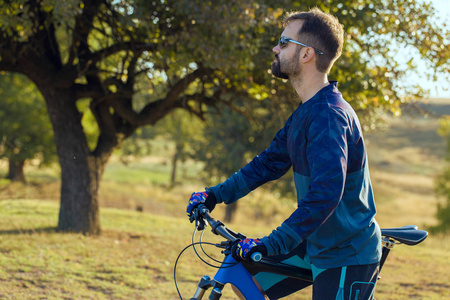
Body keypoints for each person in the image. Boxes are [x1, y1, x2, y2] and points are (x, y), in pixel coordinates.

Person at [186, 7, 381, 300]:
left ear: (307, 55)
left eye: (284, 41)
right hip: (316, 241)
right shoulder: (307, 113)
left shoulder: (329, 116)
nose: (276, 48)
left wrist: (272, 243)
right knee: (246, 280)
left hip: (346, 253)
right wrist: (214, 195)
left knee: (255, 264)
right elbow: (267, 164)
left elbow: (326, 194)